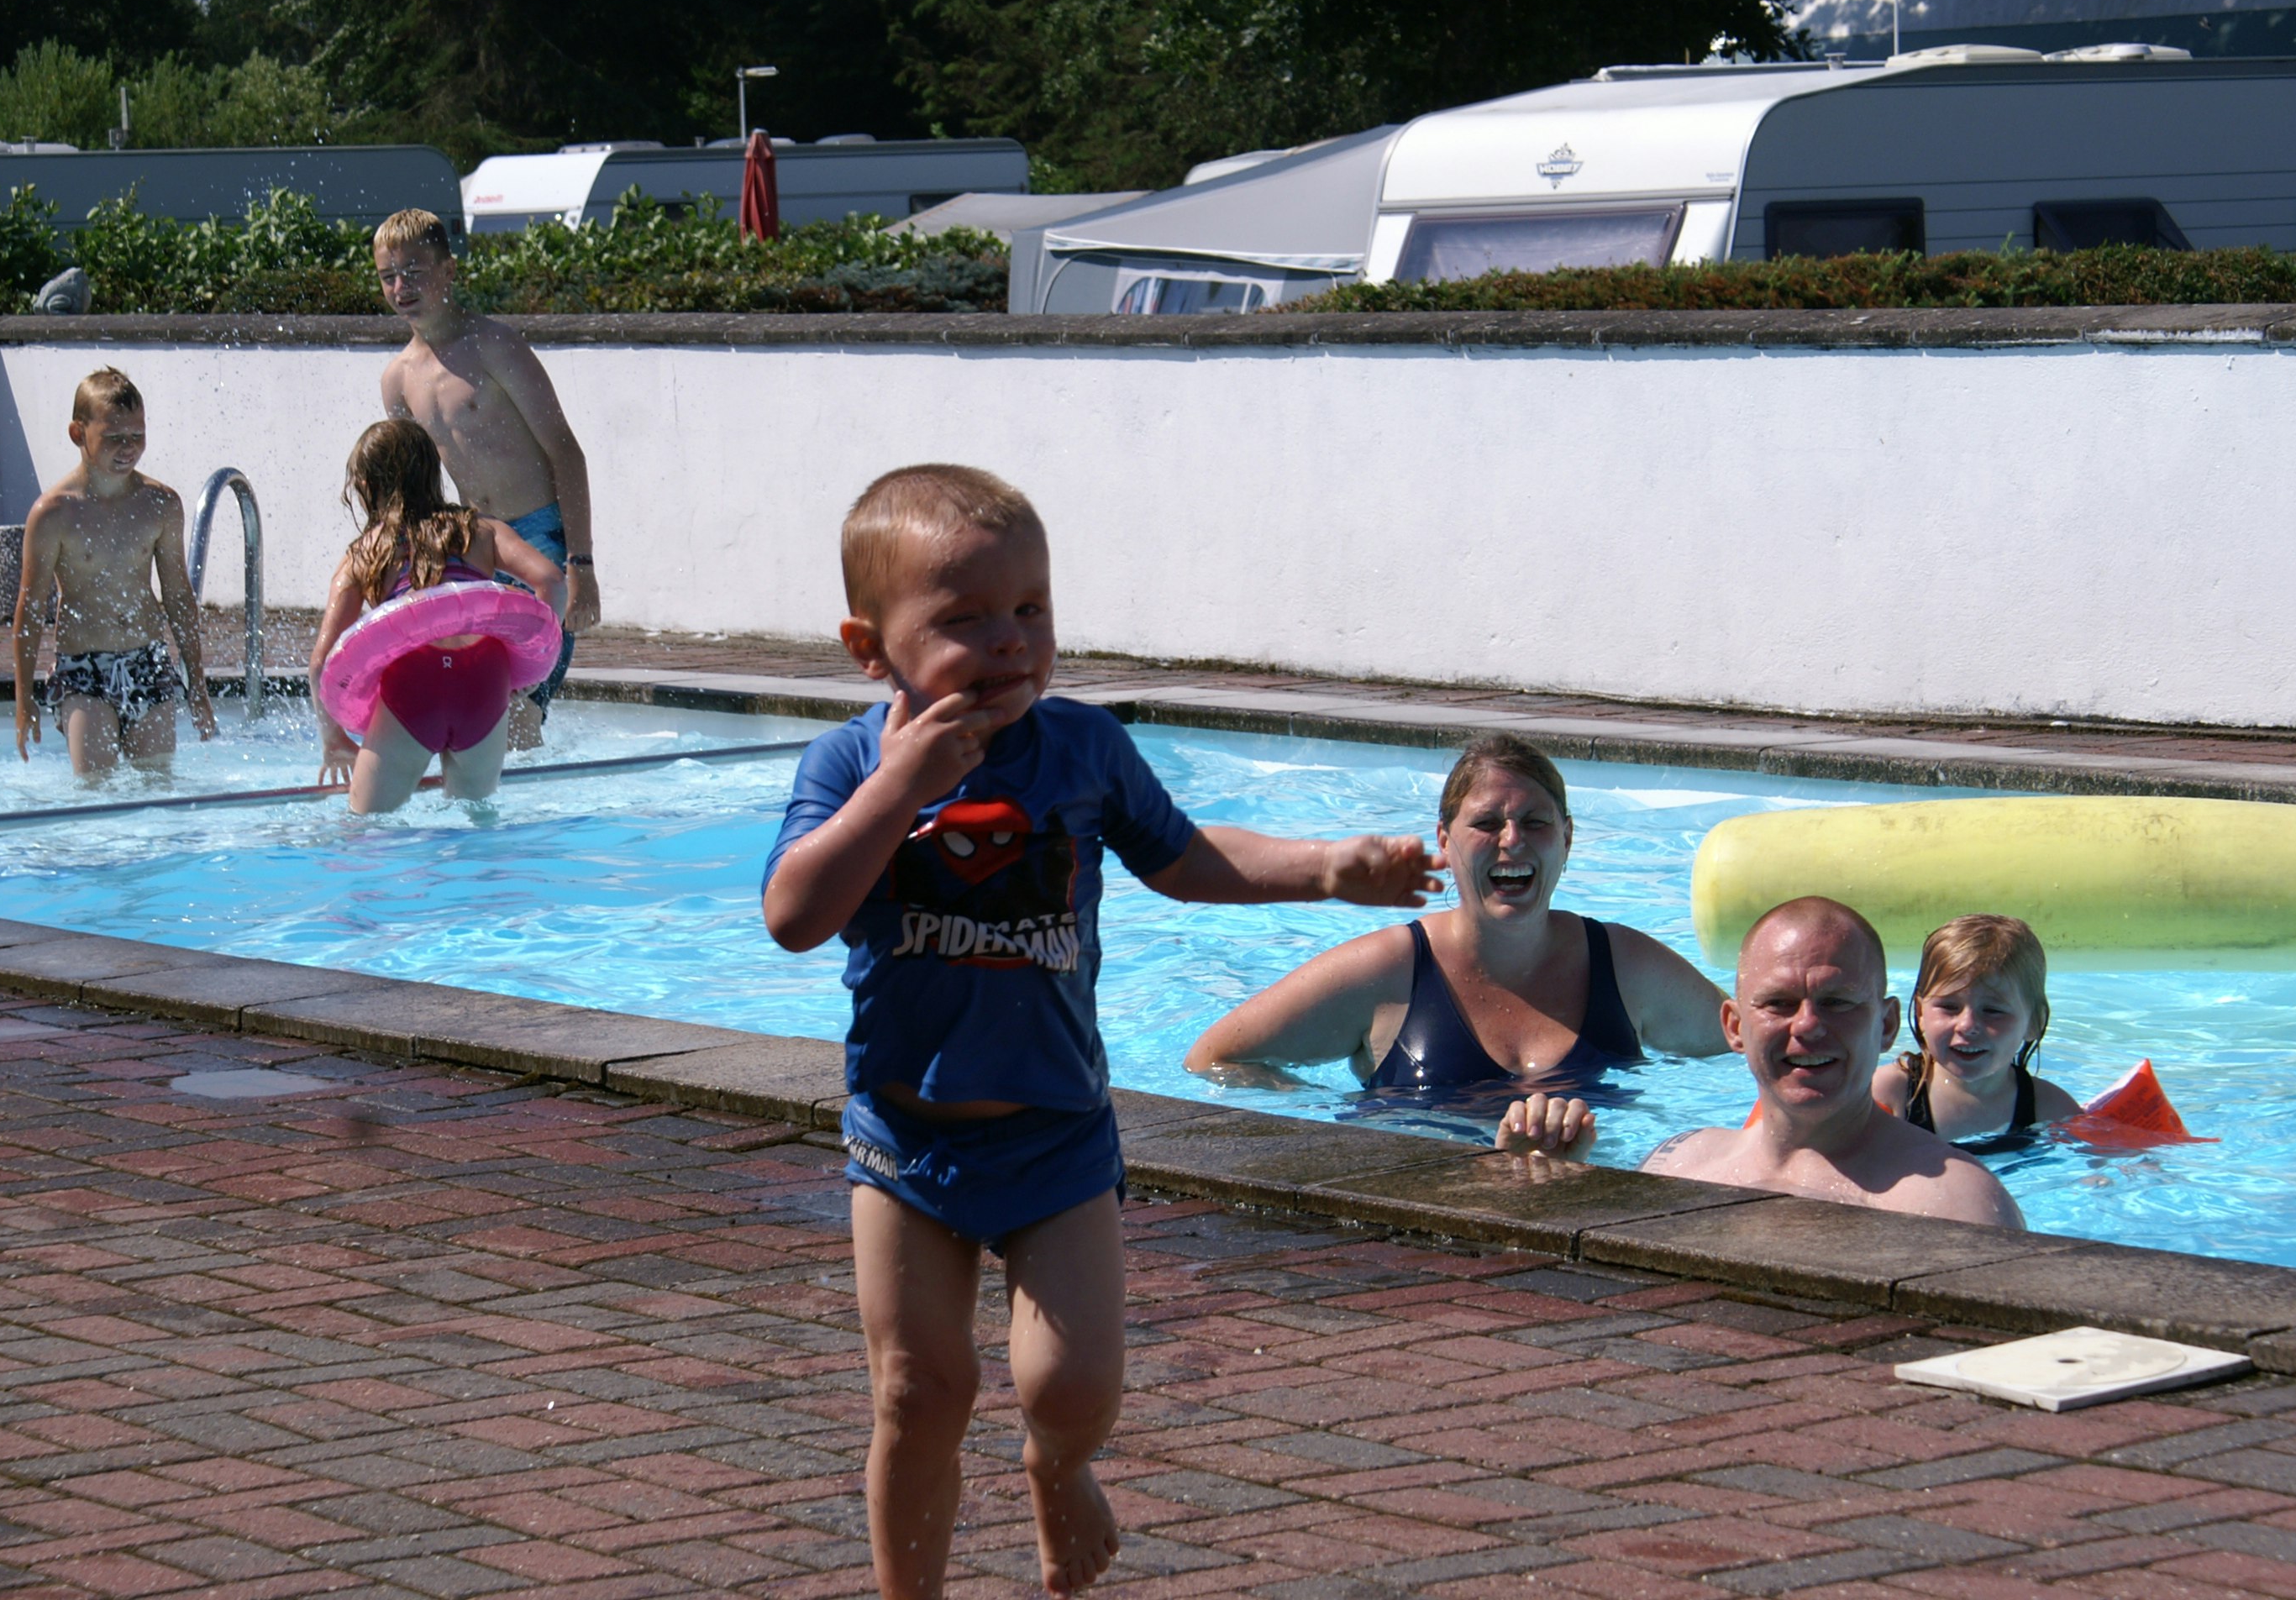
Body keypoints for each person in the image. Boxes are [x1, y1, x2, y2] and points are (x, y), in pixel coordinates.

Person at [761, 464, 1440, 1599]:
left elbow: (1184, 859)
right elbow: (793, 914)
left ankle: (1055, 1470)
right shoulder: (845, 765)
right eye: (965, 618)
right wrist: (898, 788)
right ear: (868, 646)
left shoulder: (1082, 749)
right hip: (906, 1135)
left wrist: (1328, 870)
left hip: (1056, 1134)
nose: (1010, 641)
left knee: (1071, 1387)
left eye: (1031, 609)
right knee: (916, 1392)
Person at [1184, 736, 1727, 1110]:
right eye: (1487, 823)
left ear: (1567, 838)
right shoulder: (1390, 972)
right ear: (1444, 841)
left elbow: (1748, 1043)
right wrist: (1338, 1114)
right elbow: (1213, 1059)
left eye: (1534, 822)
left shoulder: (1624, 964)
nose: (1512, 840)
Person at [1644, 895, 2025, 1228]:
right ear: (1735, 1027)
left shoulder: (1957, 1204)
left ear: (1887, 1025)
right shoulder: (1678, 1166)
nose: (1808, 1025)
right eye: (1779, 1002)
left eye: (1837, 1002)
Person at [375, 207, 597, 749]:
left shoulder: (494, 346)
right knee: (484, 701)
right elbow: (413, 490)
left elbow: (565, 451)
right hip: (477, 546)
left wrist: (582, 563)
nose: (401, 286)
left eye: (415, 271)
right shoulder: (398, 379)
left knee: (518, 700)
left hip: (541, 539)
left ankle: (521, 816)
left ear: (449, 271)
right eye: (388, 275)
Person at [308, 421, 567, 814]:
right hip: (484, 680)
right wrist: (529, 670)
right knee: (475, 827)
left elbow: (321, 663)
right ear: (432, 471)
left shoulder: (366, 551)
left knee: (368, 835)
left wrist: (334, 739)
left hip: (414, 685)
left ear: (366, 486)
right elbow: (552, 581)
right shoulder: (480, 530)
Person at [13, 367, 216, 779]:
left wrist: (198, 685)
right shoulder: (53, 514)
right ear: (77, 433)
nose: (128, 448)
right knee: (95, 790)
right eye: (114, 438)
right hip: (82, 671)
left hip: (148, 661)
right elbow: (30, 609)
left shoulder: (159, 504)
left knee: (157, 787)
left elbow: (178, 597)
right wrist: (23, 699)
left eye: (137, 436)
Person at [1876, 913, 2080, 1146]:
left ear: (2035, 1022)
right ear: (1921, 1014)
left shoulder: (2050, 1107)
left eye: (1993, 1011)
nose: (1967, 1025)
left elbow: (2092, 1172)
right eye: (1949, 1007)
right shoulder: (1890, 1094)